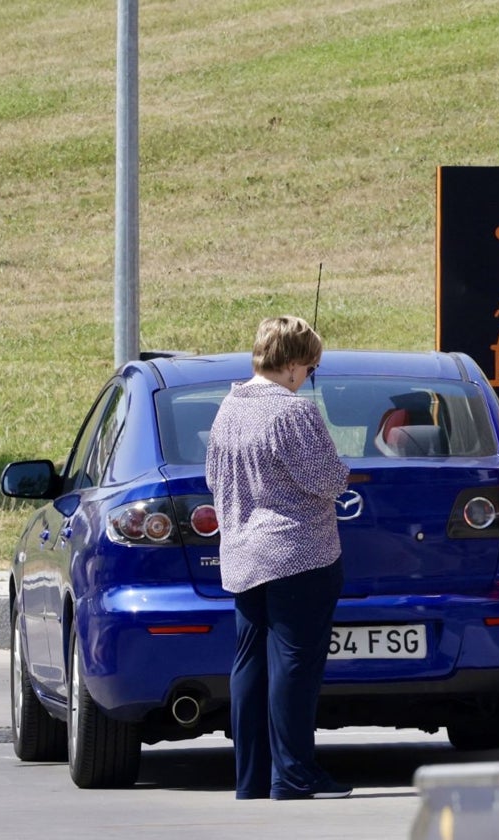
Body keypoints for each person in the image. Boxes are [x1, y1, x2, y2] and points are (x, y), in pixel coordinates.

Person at [205, 315, 353, 801]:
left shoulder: (228, 406)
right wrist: (344, 468)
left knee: (249, 664)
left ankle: (250, 777)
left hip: (243, 554)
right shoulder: (294, 413)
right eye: (310, 367)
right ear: (290, 365)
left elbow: (212, 478)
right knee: (295, 665)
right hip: (298, 554)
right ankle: (293, 773)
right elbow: (328, 480)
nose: (309, 376)